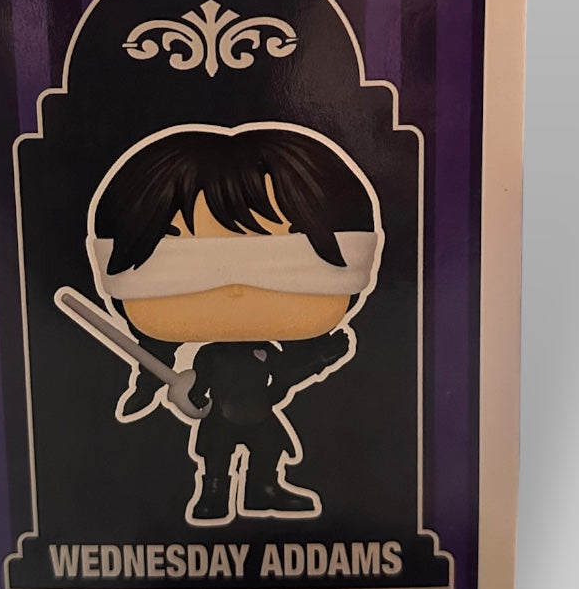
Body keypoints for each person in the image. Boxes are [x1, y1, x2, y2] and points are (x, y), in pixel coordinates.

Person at [87, 125, 381, 523]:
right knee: (216, 460)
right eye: (186, 265)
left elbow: (287, 375)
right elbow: (198, 388)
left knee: (268, 454)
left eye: (280, 261)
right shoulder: (210, 358)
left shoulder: (268, 355)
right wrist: (187, 396)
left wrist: (319, 359)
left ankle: (263, 490)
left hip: (261, 415)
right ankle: (213, 496)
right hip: (221, 420)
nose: (236, 289)